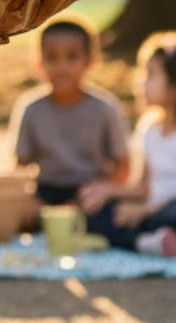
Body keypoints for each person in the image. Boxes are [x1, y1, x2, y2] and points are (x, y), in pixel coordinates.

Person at [8, 17, 131, 230]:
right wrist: (28, 201)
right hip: (45, 192)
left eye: (71, 57)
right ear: (39, 62)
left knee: (104, 217)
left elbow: (123, 166)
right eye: (52, 58)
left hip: (89, 191)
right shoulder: (31, 108)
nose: (61, 67)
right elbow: (20, 165)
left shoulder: (106, 108)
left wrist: (101, 191)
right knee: (16, 216)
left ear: (89, 61)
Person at [77, 33, 176, 256]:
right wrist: (106, 192)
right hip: (150, 215)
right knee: (96, 214)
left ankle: (141, 242)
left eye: (150, 75)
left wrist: (144, 210)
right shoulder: (149, 129)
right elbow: (143, 187)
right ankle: (148, 243)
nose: (141, 82)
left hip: (165, 211)